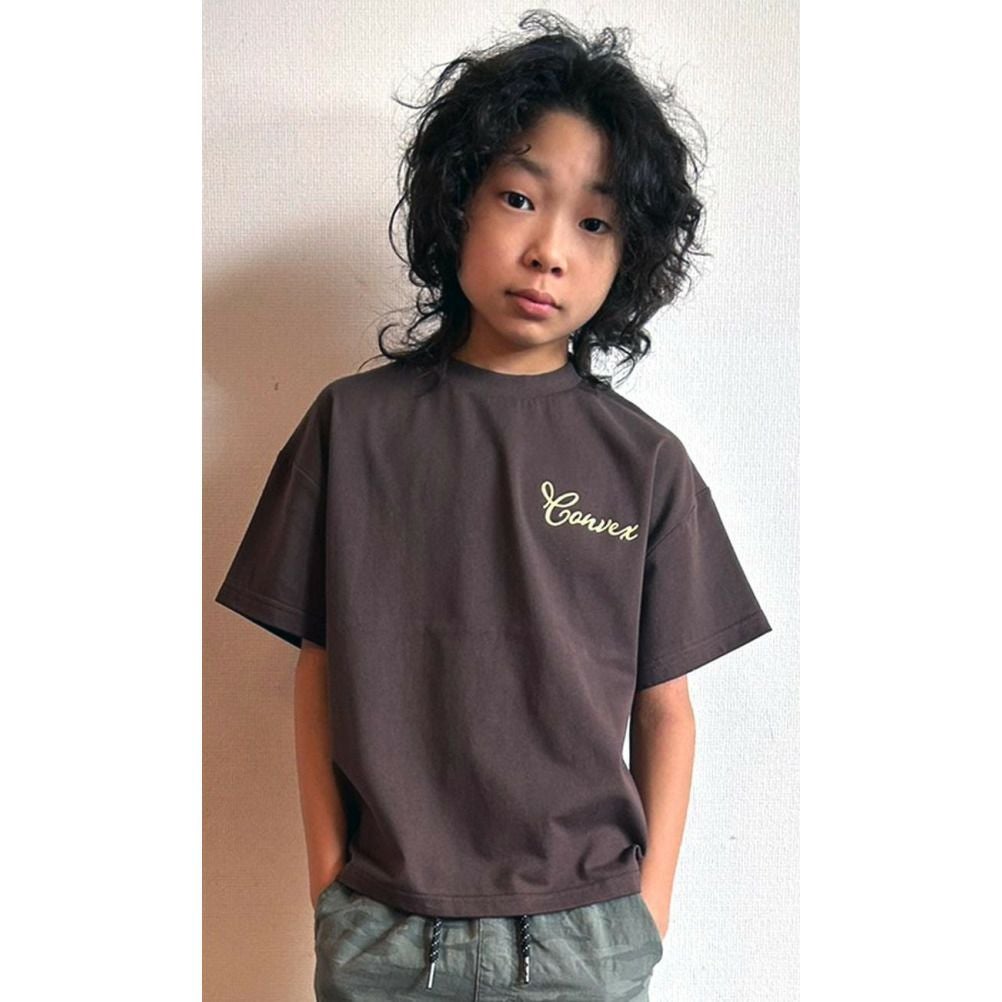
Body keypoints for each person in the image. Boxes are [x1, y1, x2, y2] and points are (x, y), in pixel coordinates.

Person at [214, 11, 773, 1001]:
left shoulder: (646, 463)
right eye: (519, 198)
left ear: (629, 255)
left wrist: (647, 912)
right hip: (386, 932)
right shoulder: (352, 428)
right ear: (457, 200)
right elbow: (319, 669)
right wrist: (331, 881)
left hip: (585, 938)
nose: (549, 249)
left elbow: (667, 709)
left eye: (595, 222)